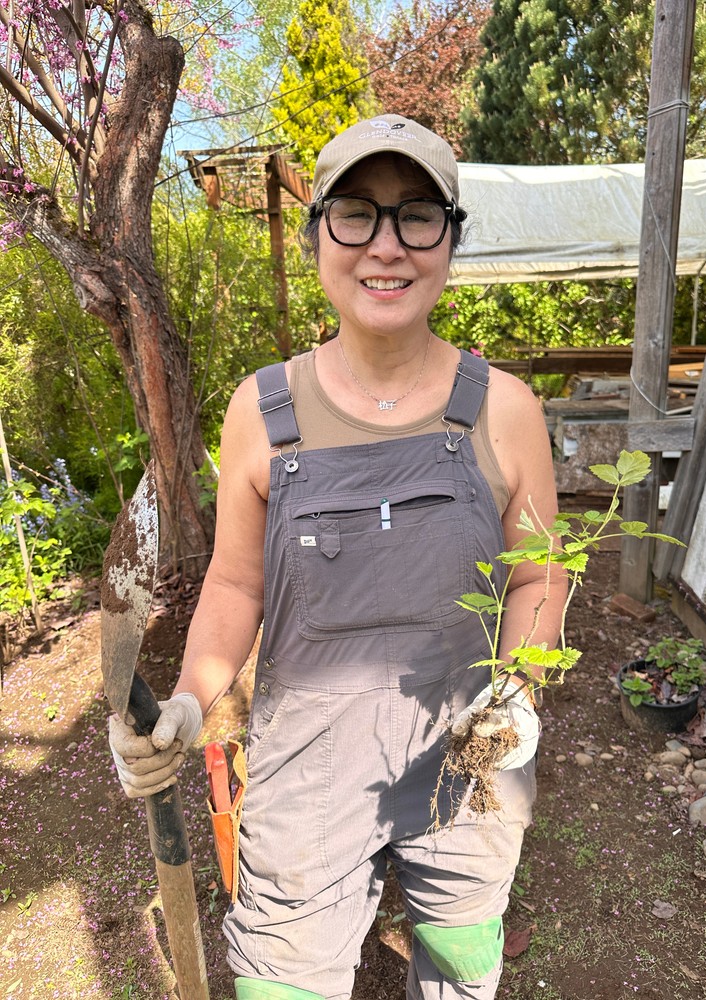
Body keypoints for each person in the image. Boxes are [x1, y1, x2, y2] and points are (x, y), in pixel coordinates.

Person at [109, 114, 567, 1000]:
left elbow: (542, 573)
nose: (386, 246)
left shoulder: (507, 410)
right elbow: (238, 583)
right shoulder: (262, 410)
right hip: (305, 771)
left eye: (418, 215)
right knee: (282, 984)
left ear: (450, 239)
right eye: (357, 213)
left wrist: (518, 689)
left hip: (469, 759)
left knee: (465, 961)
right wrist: (190, 700)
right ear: (320, 231)